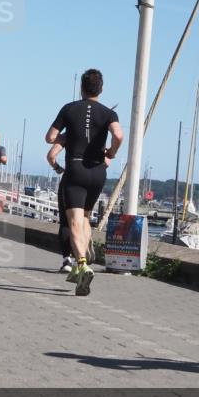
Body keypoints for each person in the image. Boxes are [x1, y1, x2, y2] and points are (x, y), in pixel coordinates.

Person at [45, 68, 124, 296]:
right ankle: (84, 257)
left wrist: (68, 137)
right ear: (101, 89)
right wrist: (111, 152)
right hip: (97, 171)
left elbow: (50, 137)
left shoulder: (69, 109)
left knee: (74, 221)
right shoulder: (109, 113)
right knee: (86, 218)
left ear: (82, 87)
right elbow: (119, 135)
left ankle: (81, 264)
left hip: (76, 168)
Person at [47, 141, 74, 273]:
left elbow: (51, 156)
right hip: (92, 178)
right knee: (84, 219)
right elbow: (106, 161)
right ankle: (82, 259)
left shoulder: (69, 134)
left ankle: (67, 260)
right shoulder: (98, 134)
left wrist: (57, 168)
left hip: (71, 175)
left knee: (65, 222)